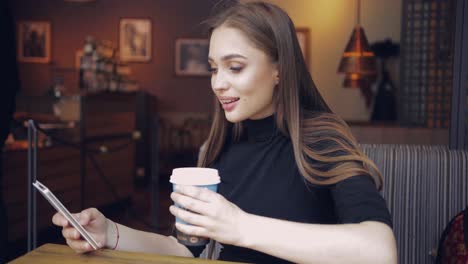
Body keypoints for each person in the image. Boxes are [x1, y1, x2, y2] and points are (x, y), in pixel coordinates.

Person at [52, 2, 397, 263]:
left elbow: (380, 251)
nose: (218, 83)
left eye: (235, 67)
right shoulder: (218, 147)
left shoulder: (323, 138)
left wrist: (241, 227)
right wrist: (110, 233)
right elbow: (185, 249)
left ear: (279, 69)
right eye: (214, 68)